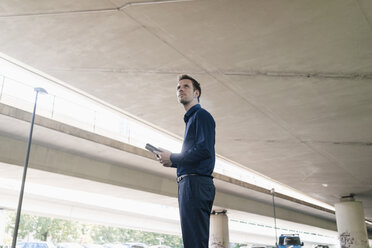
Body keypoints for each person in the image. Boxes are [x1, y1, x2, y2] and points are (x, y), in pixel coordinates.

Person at [156, 74, 216, 248]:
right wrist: (171, 161)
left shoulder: (201, 115)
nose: (180, 89)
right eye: (178, 87)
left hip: (195, 183)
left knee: (195, 241)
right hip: (189, 182)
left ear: (196, 92)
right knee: (192, 241)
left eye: (186, 86)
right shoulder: (192, 119)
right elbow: (195, 153)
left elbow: (204, 150)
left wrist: (173, 157)